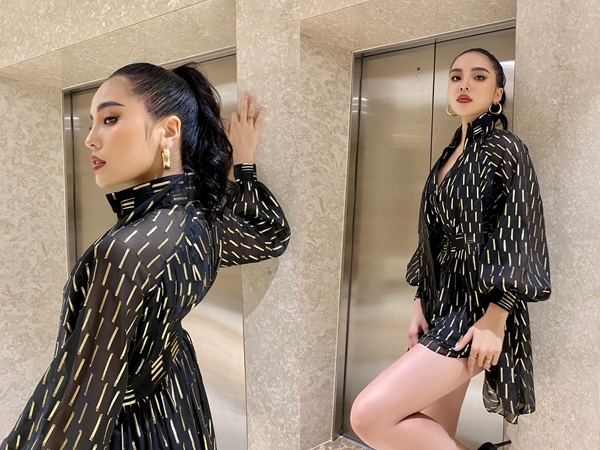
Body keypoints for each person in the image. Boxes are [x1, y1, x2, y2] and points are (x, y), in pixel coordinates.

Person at [1, 62, 290, 449]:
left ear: (168, 131)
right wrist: (244, 166)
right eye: (91, 122)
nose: (90, 139)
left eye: (110, 119)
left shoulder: (125, 252)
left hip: (132, 430)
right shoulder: (201, 219)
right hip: (177, 408)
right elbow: (270, 234)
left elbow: (81, 411)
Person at [350, 48, 551, 450]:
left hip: (479, 307)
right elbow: (432, 237)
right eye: (456, 76)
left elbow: (520, 230)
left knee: (368, 417)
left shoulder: (505, 148)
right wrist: (419, 300)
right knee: (431, 433)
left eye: (479, 77)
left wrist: (498, 315)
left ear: (497, 93)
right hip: (440, 301)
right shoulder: (448, 154)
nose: (464, 84)